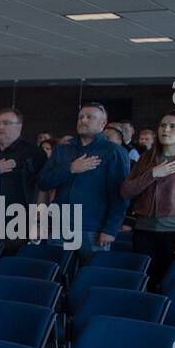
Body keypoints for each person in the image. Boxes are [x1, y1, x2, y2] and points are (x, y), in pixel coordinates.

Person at [121, 111, 175, 289]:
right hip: (144, 230)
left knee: (167, 284)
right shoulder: (147, 158)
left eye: (172, 126)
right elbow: (126, 191)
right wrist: (152, 174)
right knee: (143, 281)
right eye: (163, 125)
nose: (166, 130)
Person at [37, 103, 129, 251]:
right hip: (60, 226)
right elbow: (43, 182)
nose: (83, 120)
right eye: (81, 117)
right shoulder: (63, 150)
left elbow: (120, 195)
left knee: (92, 273)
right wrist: (70, 169)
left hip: (94, 228)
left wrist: (111, 229)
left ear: (103, 123)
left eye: (89, 117)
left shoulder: (114, 152)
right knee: (56, 272)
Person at [0, 106, 46, 255]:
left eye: (6, 123)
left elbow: (43, 189)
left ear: (19, 126)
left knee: (11, 264)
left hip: (19, 219)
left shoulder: (33, 152)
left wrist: (38, 222)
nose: (0, 127)